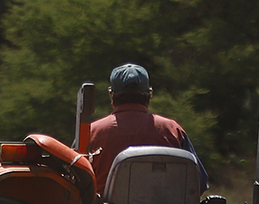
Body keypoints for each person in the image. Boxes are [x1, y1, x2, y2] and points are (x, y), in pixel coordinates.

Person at [82, 63, 209, 193]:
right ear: (149, 95)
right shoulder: (172, 130)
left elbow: (74, 184)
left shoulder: (90, 133)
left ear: (111, 95)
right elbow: (199, 183)